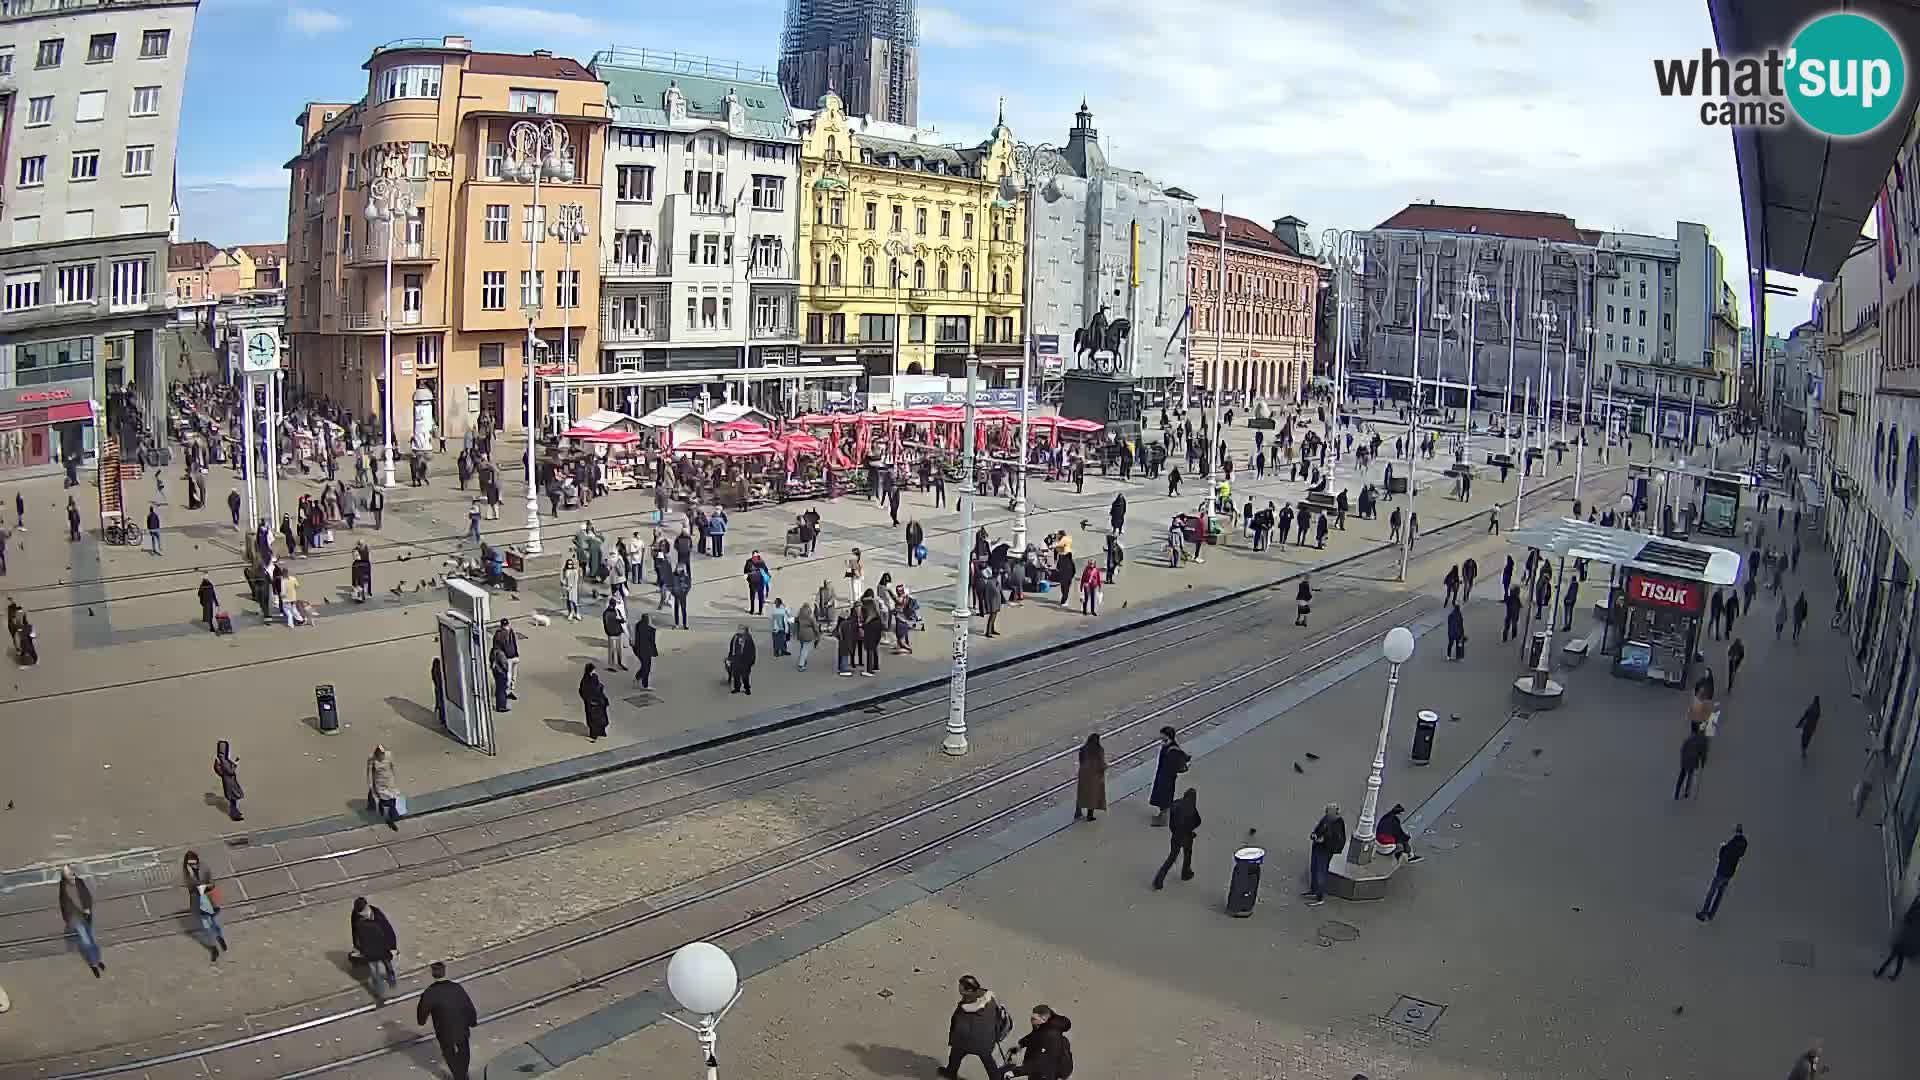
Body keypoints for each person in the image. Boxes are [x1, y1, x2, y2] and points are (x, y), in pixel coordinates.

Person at [418, 962, 479, 1080]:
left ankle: (458, 1076)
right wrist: (472, 1021)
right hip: (461, 1027)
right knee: (464, 1050)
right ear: (444, 971)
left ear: (432, 974)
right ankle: (463, 1074)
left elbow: (422, 1010)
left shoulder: (429, 992)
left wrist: (421, 1020)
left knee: (449, 1053)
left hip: (443, 1030)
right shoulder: (456, 988)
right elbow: (467, 1005)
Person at [1695, 824, 1747, 922]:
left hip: (1722, 871)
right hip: (1730, 873)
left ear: (1736, 831)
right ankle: (1711, 915)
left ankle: (1704, 913)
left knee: (1711, 892)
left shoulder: (1732, 843)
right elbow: (1740, 854)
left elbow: (1723, 856)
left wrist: (1723, 848)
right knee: (1719, 894)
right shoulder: (1744, 842)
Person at [59, 866, 105, 977]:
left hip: (86, 915)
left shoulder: (79, 882)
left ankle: (97, 960)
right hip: (75, 918)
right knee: (86, 941)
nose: (71, 875)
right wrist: (69, 918)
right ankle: (94, 964)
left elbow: (87, 896)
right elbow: (64, 904)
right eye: (67, 873)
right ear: (64, 876)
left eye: (70, 872)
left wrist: (87, 908)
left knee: (91, 938)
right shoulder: (64, 887)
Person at [1152, 788, 1202, 889]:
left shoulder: (1176, 804)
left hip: (1176, 836)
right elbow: (1197, 821)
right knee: (1187, 853)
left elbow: (1171, 824)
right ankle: (1185, 872)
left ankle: (1159, 879)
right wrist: (1190, 830)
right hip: (1187, 835)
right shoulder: (1191, 808)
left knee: (1172, 857)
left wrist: (1175, 832)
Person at [1006, 1005, 1072, 1080]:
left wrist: (1014, 1072)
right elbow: (1034, 1036)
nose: (1031, 1021)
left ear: (1043, 1019)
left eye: (1034, 1019)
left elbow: (1038, 1063)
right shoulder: (1046, 1029)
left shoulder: (1050, 1037)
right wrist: (1020, 1045)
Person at [183, 849, 227, 961]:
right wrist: (192, 878)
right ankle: (213, 948)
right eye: (190, 864)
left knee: (214, 923)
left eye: (194, 863)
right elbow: (189, 888)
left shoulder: (204, 868)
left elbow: (212, 883)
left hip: (208, 899)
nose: (193, 866)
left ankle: (220, 938)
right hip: (198, 901)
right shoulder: (187, 873)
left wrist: (205, 887)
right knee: (206, 926)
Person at [350, 896, 399, 990]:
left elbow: (389, 931)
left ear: (367, 907)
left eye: (363, 912)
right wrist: (356, 946)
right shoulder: (355, 915)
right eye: (360, 913)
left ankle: (391, 975)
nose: (362, 915)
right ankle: (379, 990)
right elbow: (355, 932)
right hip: (368, 947)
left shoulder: (378, 915)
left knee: (387, 962)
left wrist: (393, 947)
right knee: (373, 968)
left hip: (382, 946)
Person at [1305, 802, 1346, 906]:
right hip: (1318, 847)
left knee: (1320, 872)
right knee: (1314, 869)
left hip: (1325, 850)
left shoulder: (1338, 823)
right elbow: (1319, 828)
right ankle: (1314, 890)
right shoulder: (1326, 818)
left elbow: (1337, 839)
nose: (1326, 812)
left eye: (1328, 811)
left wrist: (1324, 840)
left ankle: (1319, 897)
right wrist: (1314, 834)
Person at [1148, 726, 1188, 826]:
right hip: (1162, 775)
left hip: (1167, 778)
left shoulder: (1172, 749)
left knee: (1165, 799)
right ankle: (1161, 816)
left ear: (1167, 735)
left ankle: (1163, 820)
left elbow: (1171, 765)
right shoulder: (1167, 745)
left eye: (1162, 734)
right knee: (1161, 797)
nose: (1160, 736)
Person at [1873, 895, 1920, 980]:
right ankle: (1893, 975)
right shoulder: (1915, 913)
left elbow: (1908, 915)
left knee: (1892, 958)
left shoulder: (1914, 912)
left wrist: (1915, 900)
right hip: (1908, 941)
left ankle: (1880, 973)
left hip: (1904, 940)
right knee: (1899, 959)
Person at [1074, 733, 1107, 822]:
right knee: (1093, 796)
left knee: (1082, 794)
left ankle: (1078, 812)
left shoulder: (1083, 749)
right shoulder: (1099, 750)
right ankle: (1090, 815)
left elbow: (1081, 760)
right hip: (1094, 776)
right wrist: (1104, 767)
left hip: (1084, 774)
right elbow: (1101, 763)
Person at [367, 745, 401, 829]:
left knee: (392, 798)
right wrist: (371, 785)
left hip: (389, 782)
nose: (381, 756)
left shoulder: (389, 755)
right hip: (380, 784)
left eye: (382, 754)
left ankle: (386, 812)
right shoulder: (372, 759)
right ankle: (391, 818)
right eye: (379, 754)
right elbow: (369, 773)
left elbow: (393, 766)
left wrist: (394, 778)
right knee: (386, 801)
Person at [1675, 723, 1709, 800]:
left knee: (1683, 774)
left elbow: (1683, 749)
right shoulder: (1702, 739)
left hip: (1686, 758)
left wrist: (1682, 758)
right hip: (1692, 759)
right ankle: (1686, 792)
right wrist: (1703, 761)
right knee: (1689, 774)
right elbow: (1702, 751)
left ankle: (1678, 792)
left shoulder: (1690, 738)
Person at [214, 740, 243, 821]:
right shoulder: (224, 761)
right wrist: (235, 764)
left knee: (233, 799)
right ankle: (234, 814)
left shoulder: (222, 760)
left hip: (228, 781)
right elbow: (230, 771)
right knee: (233, 799)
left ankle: (235, 812)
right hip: (230, 782)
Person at [580, 663, 610, 740]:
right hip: (592, 704)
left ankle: (601, 732)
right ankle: (594, 734)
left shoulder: (594, 677)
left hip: (599, 701)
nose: (594, 671)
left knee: (601, 719)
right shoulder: (586, 680)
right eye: (593, 670)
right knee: (594, 720)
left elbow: (599, 686)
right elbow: (584, 692)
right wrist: (589, 700)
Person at [630, 614, 658, 689]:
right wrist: (653, 628)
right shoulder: (649, 629)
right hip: (645, 651)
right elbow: (652, 641)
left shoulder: (638, 625)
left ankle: (637, 678)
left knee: (644, 666)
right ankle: (645, 685)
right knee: (646, 667)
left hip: (638, 650)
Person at [728, 623, 757, 694]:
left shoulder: (748, 638)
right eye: (739, 628)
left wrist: (752, 661)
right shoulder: (735, 637)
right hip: (736, 659)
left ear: (745, 630)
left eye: (741, 629)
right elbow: (732, 648)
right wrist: (730, 657)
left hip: (745, 660)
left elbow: (752, 650)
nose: (739, 630)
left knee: (745, 676)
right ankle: (737, 688)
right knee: (736, 674)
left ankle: (747, 688)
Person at [601, 599, 627, 671]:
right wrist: (608, 632)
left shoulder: (611, 612)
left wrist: (620, 619)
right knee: (614, 650)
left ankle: (616, 664)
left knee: (615, 650)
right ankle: (615, 664)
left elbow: (622, 621)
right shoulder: (608, 612)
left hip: (615, 633)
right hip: (614, 633)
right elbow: (606, 624)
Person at [1796, 695, 1821, 760]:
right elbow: (1815, 718)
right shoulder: (1817, 709)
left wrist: (1799, 723)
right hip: (1811, 727)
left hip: (1808, 726)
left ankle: (1803, 749)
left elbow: (1805, 715)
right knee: (1807, 737)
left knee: (1805, 737)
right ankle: (1804, 749)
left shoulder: (1812, 708)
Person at [489, 641, 511, 712]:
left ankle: (499, 705)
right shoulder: (500, 653)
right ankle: (501, 706)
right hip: (501, 673)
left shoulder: (493, 651)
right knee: (502, 690)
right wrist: (506, 670)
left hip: (496, 672)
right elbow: (504, 664)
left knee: (499, 689)